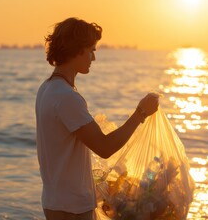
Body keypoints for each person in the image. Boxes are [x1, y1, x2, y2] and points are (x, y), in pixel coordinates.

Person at [35, 17, 159, 220]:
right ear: (77, 49)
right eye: (91, 50)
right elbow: (104, 147)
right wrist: (140, 113)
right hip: (72, 208)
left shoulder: (47, 88)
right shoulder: (66, 97)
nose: (93, 58)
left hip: (56, 201)